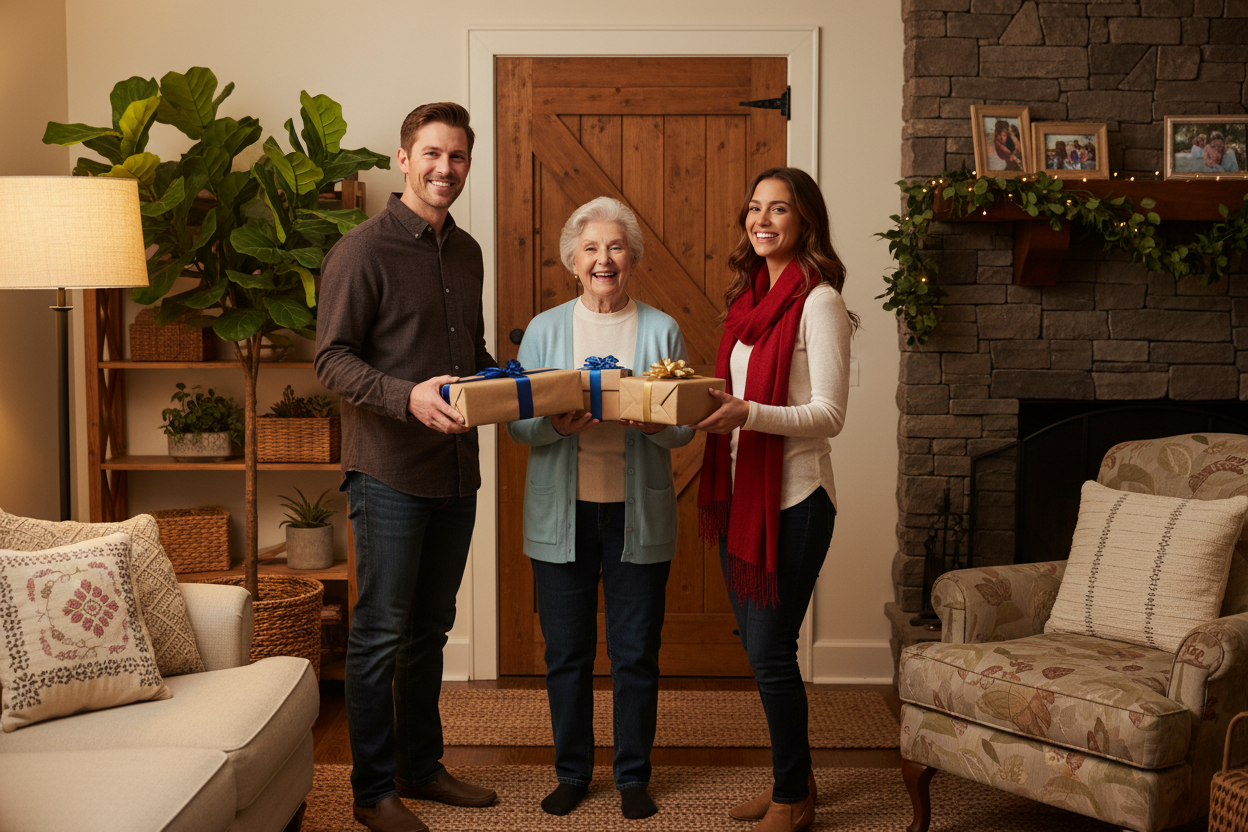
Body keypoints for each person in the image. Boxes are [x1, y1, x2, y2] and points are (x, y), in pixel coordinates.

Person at [316, 102, 497, 832]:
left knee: (430, 628)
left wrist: (525, 388)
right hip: (388, 470)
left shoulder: (469, 252)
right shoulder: (360, 251)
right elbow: (331, 359)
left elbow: (469, 362)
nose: (444, 169)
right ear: (402, 158)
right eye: (431, 154)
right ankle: (371, 792)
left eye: (456, 157)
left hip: (456, 472)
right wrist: (406, 395)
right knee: (381, 632)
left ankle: (423, 768)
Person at [507, 197, 694, 821]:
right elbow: (517, 428)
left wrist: (651, 422)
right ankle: (572, 772)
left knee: (636, 651)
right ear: (572, 260)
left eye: (615, 248)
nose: (603, 259)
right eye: (591, 248)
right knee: (568, 653)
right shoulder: (544, 328)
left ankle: (633, 776)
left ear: (632, 258)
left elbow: (684, 429)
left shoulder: (662, 328)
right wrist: (556, 426)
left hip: (637, 517)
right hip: (561, 518)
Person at [694, 167, 856, 832]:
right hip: (744, 501)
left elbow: (830, 415)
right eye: (754, 208)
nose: (762, 220)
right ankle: (796, 782)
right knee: (766, 651)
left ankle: (792, 801)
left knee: (769, 653)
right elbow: (734, 400)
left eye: (779, 209)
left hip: (796, 500)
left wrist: (748, 415)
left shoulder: (819, 303)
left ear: (805, 221)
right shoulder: (750, 303)